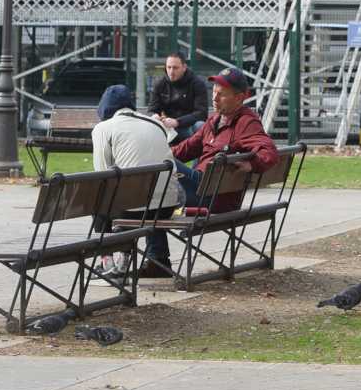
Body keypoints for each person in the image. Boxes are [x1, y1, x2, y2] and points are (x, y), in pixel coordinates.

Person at [91, 85, 183, 279]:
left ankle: (107, 261)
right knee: (145, 198)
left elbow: (101, 175)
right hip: (167, 205)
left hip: (133, 209)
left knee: (100, 200)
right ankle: (152, 260)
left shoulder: (102, 129)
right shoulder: (155, 124)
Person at [171, 67, 279, 210]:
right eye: (214, 92)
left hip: (211, 196)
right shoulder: (214, 121)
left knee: (163, 163)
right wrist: (160, 151)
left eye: (221, 94)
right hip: (203, 188)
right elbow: (184, 149)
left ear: (239, 97)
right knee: (161, 163)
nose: (214, 98)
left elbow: (269, 150)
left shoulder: (246, 122)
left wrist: (252, 164)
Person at [148, 52, 209, 143]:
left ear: (184, 67)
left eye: (175, 68)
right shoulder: (160, 83)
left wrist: (177, 122)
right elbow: (152, 108)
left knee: (200, 125)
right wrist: (155, 116)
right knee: (149, 125)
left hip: (188, 127)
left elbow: (202, 113)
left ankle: (199, 156)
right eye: (169, 67)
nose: (171, 72)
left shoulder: (197, 84)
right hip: (167, 128)